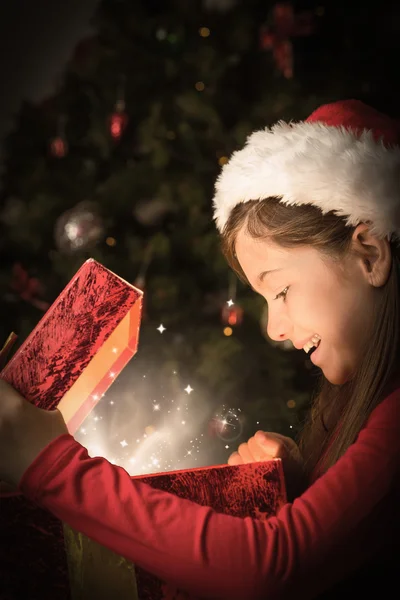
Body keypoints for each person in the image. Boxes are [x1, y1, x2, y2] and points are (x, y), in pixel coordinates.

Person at [0, 99, 399, 599]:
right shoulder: (363, 405)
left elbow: (273, 567)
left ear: (370, 255)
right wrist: (304, 488)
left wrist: (51, 465)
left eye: (280, 290)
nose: (274, 328)